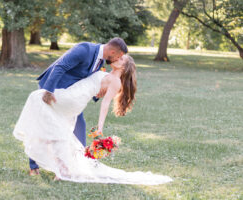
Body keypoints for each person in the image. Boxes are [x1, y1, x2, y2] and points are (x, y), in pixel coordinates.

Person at [13, 54, 173, 185]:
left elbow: (104, 105)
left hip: (73, 99)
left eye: (122, 59)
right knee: (56, 128)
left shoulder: (116, 81)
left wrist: (100, 127)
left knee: (37, 97)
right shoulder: (104, 71)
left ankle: (54, 166)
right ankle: (61, 169)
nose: (118, 58)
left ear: (124, 67)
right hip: (74, 95)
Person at [28, 38, 128, 175]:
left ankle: (81, 161)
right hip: (54, 90)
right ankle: (33, 166)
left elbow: (86, 80)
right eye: (119, 56)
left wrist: (95, 94)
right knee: (45, 126)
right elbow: (60, 66)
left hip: (70, 96)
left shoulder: (101, 61)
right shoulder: (84, 49)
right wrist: (48, 91)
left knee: (79, 124)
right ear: (112, 51)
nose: (119, 58)